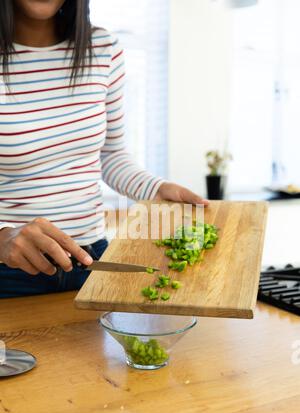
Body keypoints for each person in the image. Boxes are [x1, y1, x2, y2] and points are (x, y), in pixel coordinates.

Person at [0, 0, 208, 298]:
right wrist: (3, 238)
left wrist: (156, 189)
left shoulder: (103, 47)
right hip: (8, 273)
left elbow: (110, 154)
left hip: (92, 261)